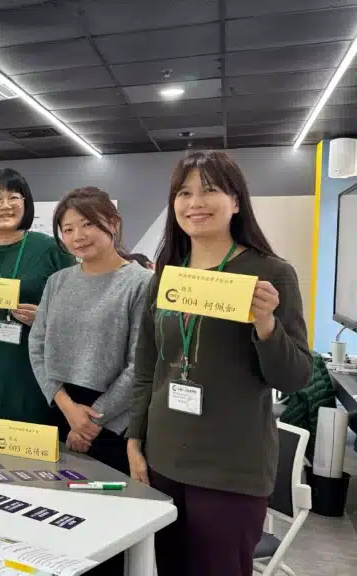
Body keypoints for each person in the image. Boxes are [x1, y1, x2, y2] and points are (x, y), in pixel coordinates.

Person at [127, 150, 312, 576]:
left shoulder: (269, 273)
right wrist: (136, 441)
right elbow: (147, 368)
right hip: (165, 456)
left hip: (231, 466)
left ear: (236, 201)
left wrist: (265, 324)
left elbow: (295, 375)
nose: (195, 203)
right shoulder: (167, 275)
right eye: (184, 193)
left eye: (209, 190)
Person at [29, 187, 151, 473]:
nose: (78, 236)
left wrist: (91, 422)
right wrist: (67, 407)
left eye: (88, 224)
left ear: (114, 223)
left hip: (113, 419)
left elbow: (141, 363)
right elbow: (37, 345)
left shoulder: (142, 283)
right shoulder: (57, 282)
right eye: (68, 229)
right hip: (58, 407)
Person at [0, 169, 75, 423]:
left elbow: (78, 311)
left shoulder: (52, 249)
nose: (5, 206)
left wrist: (44, 319)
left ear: (26, 204)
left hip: (38, 372)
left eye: (14, 197)